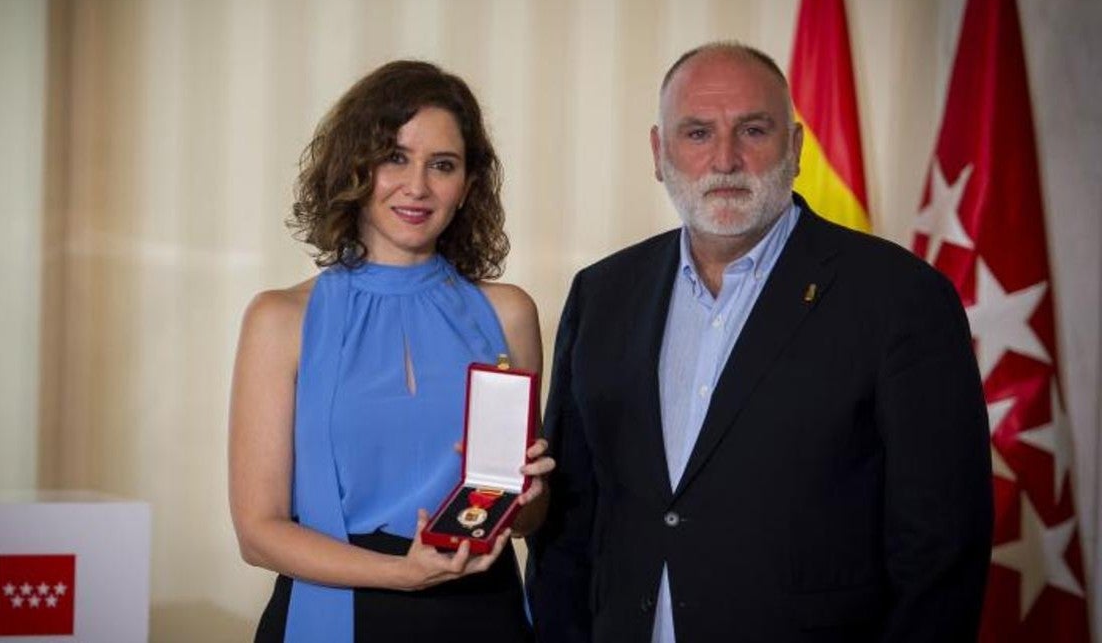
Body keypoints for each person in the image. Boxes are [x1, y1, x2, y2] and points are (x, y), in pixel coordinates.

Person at [527, 42, 993, 642]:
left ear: (795, 147)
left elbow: (942, 550)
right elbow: (568, 520)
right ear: (658, 153)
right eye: (696, 133)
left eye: (752, 129)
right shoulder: (603, 294)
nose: (725, 159)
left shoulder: (902, 298)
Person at [229, 60, 552, 643]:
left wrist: (532, 495)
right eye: (395, 158)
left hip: (485, 616)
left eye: (443, 165)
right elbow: (258, 533)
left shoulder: (509, 314)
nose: (418, 186)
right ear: (355, 168)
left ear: (468, 185)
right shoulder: (279, 321)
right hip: (339, 613)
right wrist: (403, 574)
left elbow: (528, 521)